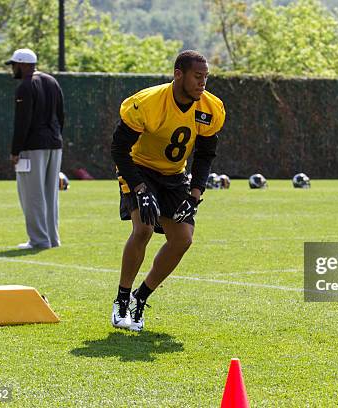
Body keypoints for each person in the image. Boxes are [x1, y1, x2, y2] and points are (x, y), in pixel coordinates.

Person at [110, 50, 225, 332]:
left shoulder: (210, 108)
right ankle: (121, 300)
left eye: (206, 77)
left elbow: (205, 154)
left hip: (174, 174)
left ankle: (141, 296)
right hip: (140, 168)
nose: (203, 83)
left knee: (183, 239)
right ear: (178, 74)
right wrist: (138, 186)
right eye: (197, 77)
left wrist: (195, 194)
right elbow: (119, 150)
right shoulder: (147, 103)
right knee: (144, 230)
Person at [5, 48, 64, 250]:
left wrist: (15, 150)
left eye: (14, 65)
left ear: (22, 64)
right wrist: (58, 137)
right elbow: (61, 114)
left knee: (32, 195)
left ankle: (39, 240)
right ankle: (52, 238)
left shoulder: (25, 86)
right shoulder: (52, 81)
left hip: (32, 147)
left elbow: (23, 122)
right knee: (50, 194)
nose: (12, 69)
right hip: (55, 144)